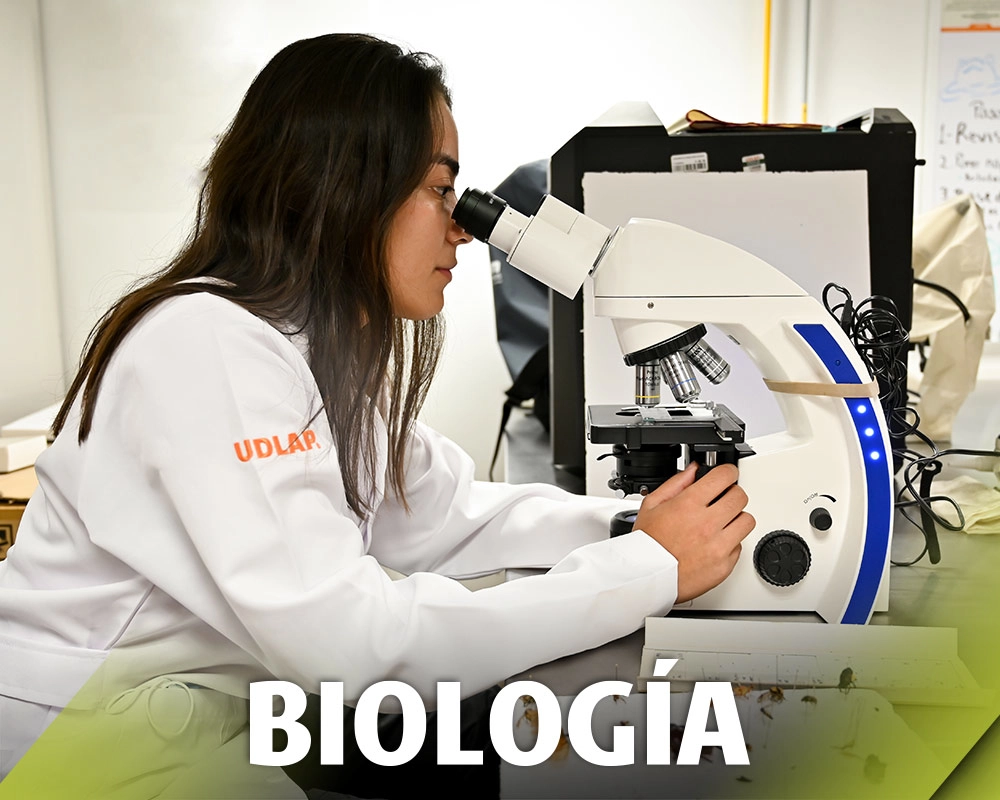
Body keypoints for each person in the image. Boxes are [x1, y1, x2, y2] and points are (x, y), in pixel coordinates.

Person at [0, 33, 753, 797]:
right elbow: (353, 647)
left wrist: (628, 528)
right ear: (344, 187)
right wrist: (644, 570)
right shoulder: (211, 343)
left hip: (179, 728)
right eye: (439, 189)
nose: (462, 227)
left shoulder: (308, 350)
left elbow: (440, 514)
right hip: (74, 751)